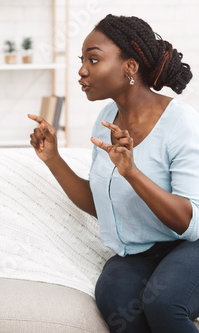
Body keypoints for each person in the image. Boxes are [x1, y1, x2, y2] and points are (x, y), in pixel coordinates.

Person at [28, 14, 199, 333]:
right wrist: (52, 159)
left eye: (93, 59)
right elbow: (100, 204)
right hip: (136, 254)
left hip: (192, 246)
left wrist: (132, 172)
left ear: (130, 67)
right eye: (82, 60)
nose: (81, 70)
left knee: (163, 304)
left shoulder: (181, 122)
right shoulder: (107, 119)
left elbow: (189, 223)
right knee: (118, 304)